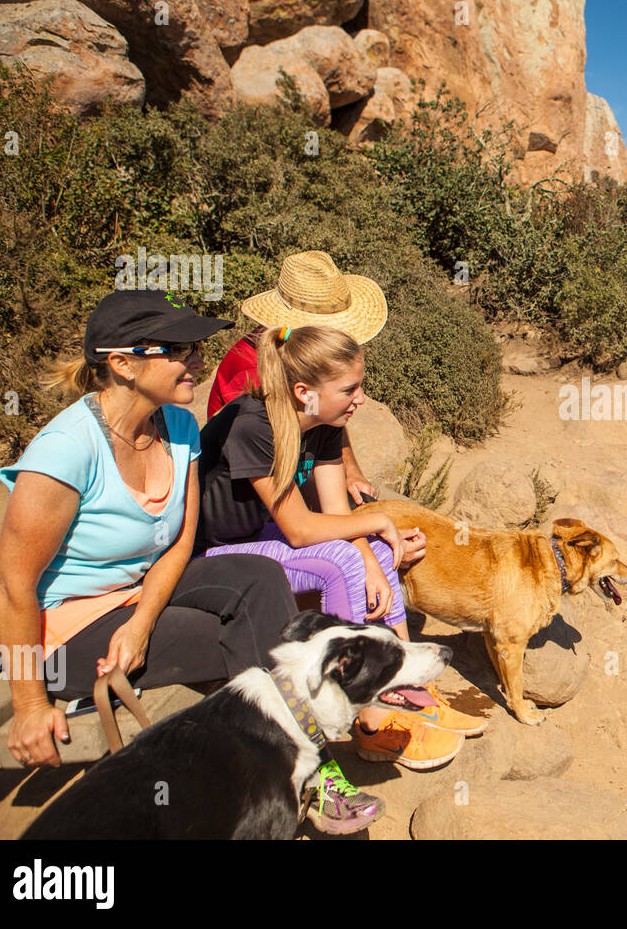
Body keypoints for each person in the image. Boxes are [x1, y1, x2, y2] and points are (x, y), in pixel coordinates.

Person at [0, 290, 301, 779]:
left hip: (138, 595)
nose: (198, 361)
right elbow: (12, 585)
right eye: (179, 351)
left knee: (261, 577)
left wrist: (142, 622)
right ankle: (282, 763)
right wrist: (30, 705)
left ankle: (278, 750)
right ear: (123, 365)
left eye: (195, 349)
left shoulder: (178, 424)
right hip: (66, 627)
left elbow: (181, 541)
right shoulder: (65, 451)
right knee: (235, 635)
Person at [195, 323, 484, 783]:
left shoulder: (325, 424)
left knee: (367, 551)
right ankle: (373, 723)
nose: (361, 398)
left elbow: (335, 510)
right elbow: (302, 528)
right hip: (213, 555)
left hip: (261, 535)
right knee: (341, 560)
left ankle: (412, 694)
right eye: (350, 388)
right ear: (304, 391)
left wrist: (374, 550)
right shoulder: (254, 424)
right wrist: (375, 524)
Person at [207, 251, 380, 506]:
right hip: (256, 488)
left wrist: (351, 470)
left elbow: (323, 414)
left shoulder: (305, 382)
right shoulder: (251, 371)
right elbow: (258, 447)